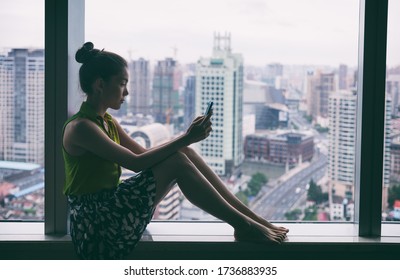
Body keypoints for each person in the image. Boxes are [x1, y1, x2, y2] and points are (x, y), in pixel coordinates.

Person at [62, 42, 289, 259]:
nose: (127, 92)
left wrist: (185, 142)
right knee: (178, 159)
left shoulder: (106, 121)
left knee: (184, 154)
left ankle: (253, 219)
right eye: (122, 83)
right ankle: (244, 225)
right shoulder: (82, 127)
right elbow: (136, 163)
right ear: (100, 84)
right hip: (98, 228)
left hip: (112, 211)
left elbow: (143, 155)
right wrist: (186, 137)